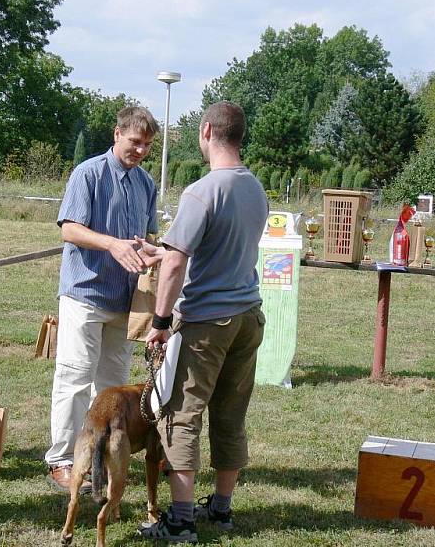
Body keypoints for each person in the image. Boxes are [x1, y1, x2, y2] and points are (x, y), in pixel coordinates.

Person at [138, 101, 268, 543]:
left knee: (180, 415)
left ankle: (179, 520)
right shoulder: (255, 188)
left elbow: (175, 267)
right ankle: (223, 509)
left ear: (207, 130)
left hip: (207, 324)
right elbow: (219, 249)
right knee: (230, 414)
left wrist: (159, 319)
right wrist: (169, 250)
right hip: (248, 317)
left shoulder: (201, 191)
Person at [45, 106, 160, 492]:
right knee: (74, 376)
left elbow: (146, 237)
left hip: (125, 301)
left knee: (112, 387)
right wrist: (111, 243)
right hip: (84, 293)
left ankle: (103, 458)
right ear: (117, 134)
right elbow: (70, 230)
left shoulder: (146, 183)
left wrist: (150, 250)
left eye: (146, 145)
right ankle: (61, 459)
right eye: (134, 142)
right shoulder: (88, 173)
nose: (140, 150)